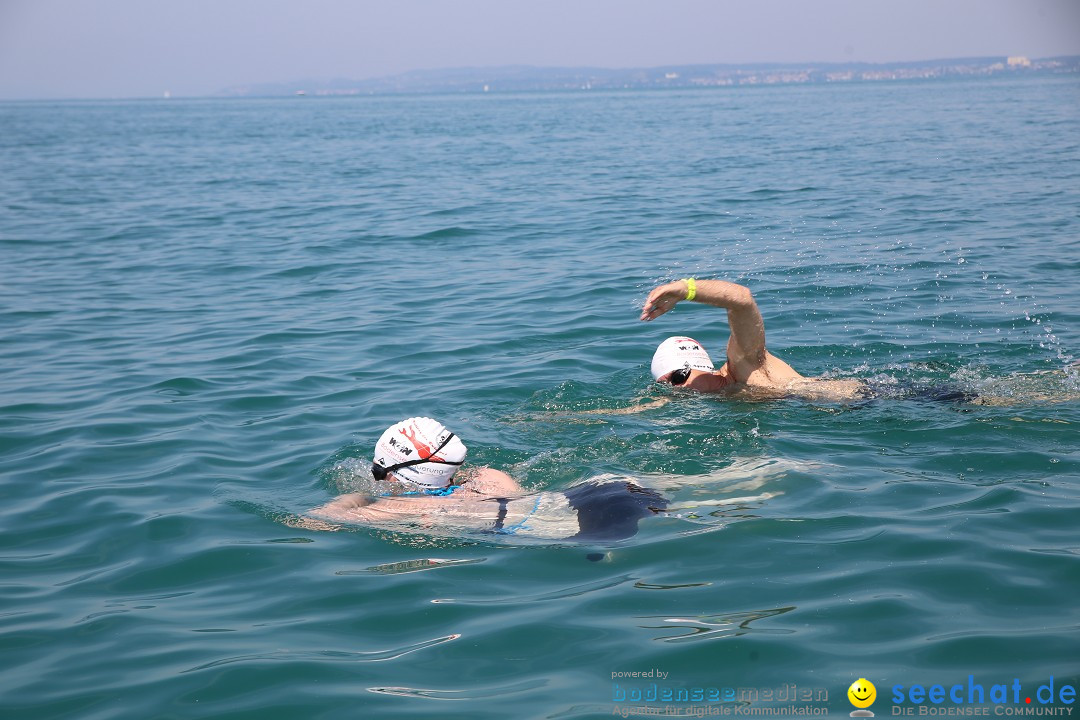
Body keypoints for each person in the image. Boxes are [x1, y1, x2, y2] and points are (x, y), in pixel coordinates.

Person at [308, 417, 669, 541]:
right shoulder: (490, 477)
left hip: (588, 527)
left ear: (406, 473)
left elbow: (318, 521)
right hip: (604, 486)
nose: (379, 480)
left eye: (380, 471)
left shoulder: (404, 508)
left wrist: (354, 498)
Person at [641, 277, 866, 401]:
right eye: (667, 387)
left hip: (877, 400)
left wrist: (684, 290)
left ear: (701, 367)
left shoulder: (744, 365)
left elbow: (741, 299)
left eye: (679, 377)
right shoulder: (726, 394)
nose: (677, 389)